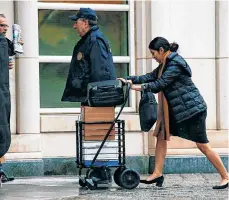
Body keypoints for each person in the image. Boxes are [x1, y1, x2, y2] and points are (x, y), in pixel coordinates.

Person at [118, 37, 228, 189]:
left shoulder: (174, 64)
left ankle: (226, 176)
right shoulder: (166, 63)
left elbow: (160, 84)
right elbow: (151, 77)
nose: (153, 57)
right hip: (178, 110)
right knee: (161, 136)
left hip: (192, 111)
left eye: (153, 53)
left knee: (203, 146)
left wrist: (139, 88)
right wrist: (128, 79)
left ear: (161, 51)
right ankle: (157, 173)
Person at [62, 8, 116, 104]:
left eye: (76, 22)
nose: (74, 26)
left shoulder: (95, 41)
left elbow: (101, 73)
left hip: (96, 99)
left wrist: (96, 101)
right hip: (91, 97)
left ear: (85, 23)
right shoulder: (89, 39)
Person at [0, 14, 15, 184]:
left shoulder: (5, 43)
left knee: (3, 127)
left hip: (4, 90)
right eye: (1, 25)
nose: (4, 29)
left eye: (6, 25)